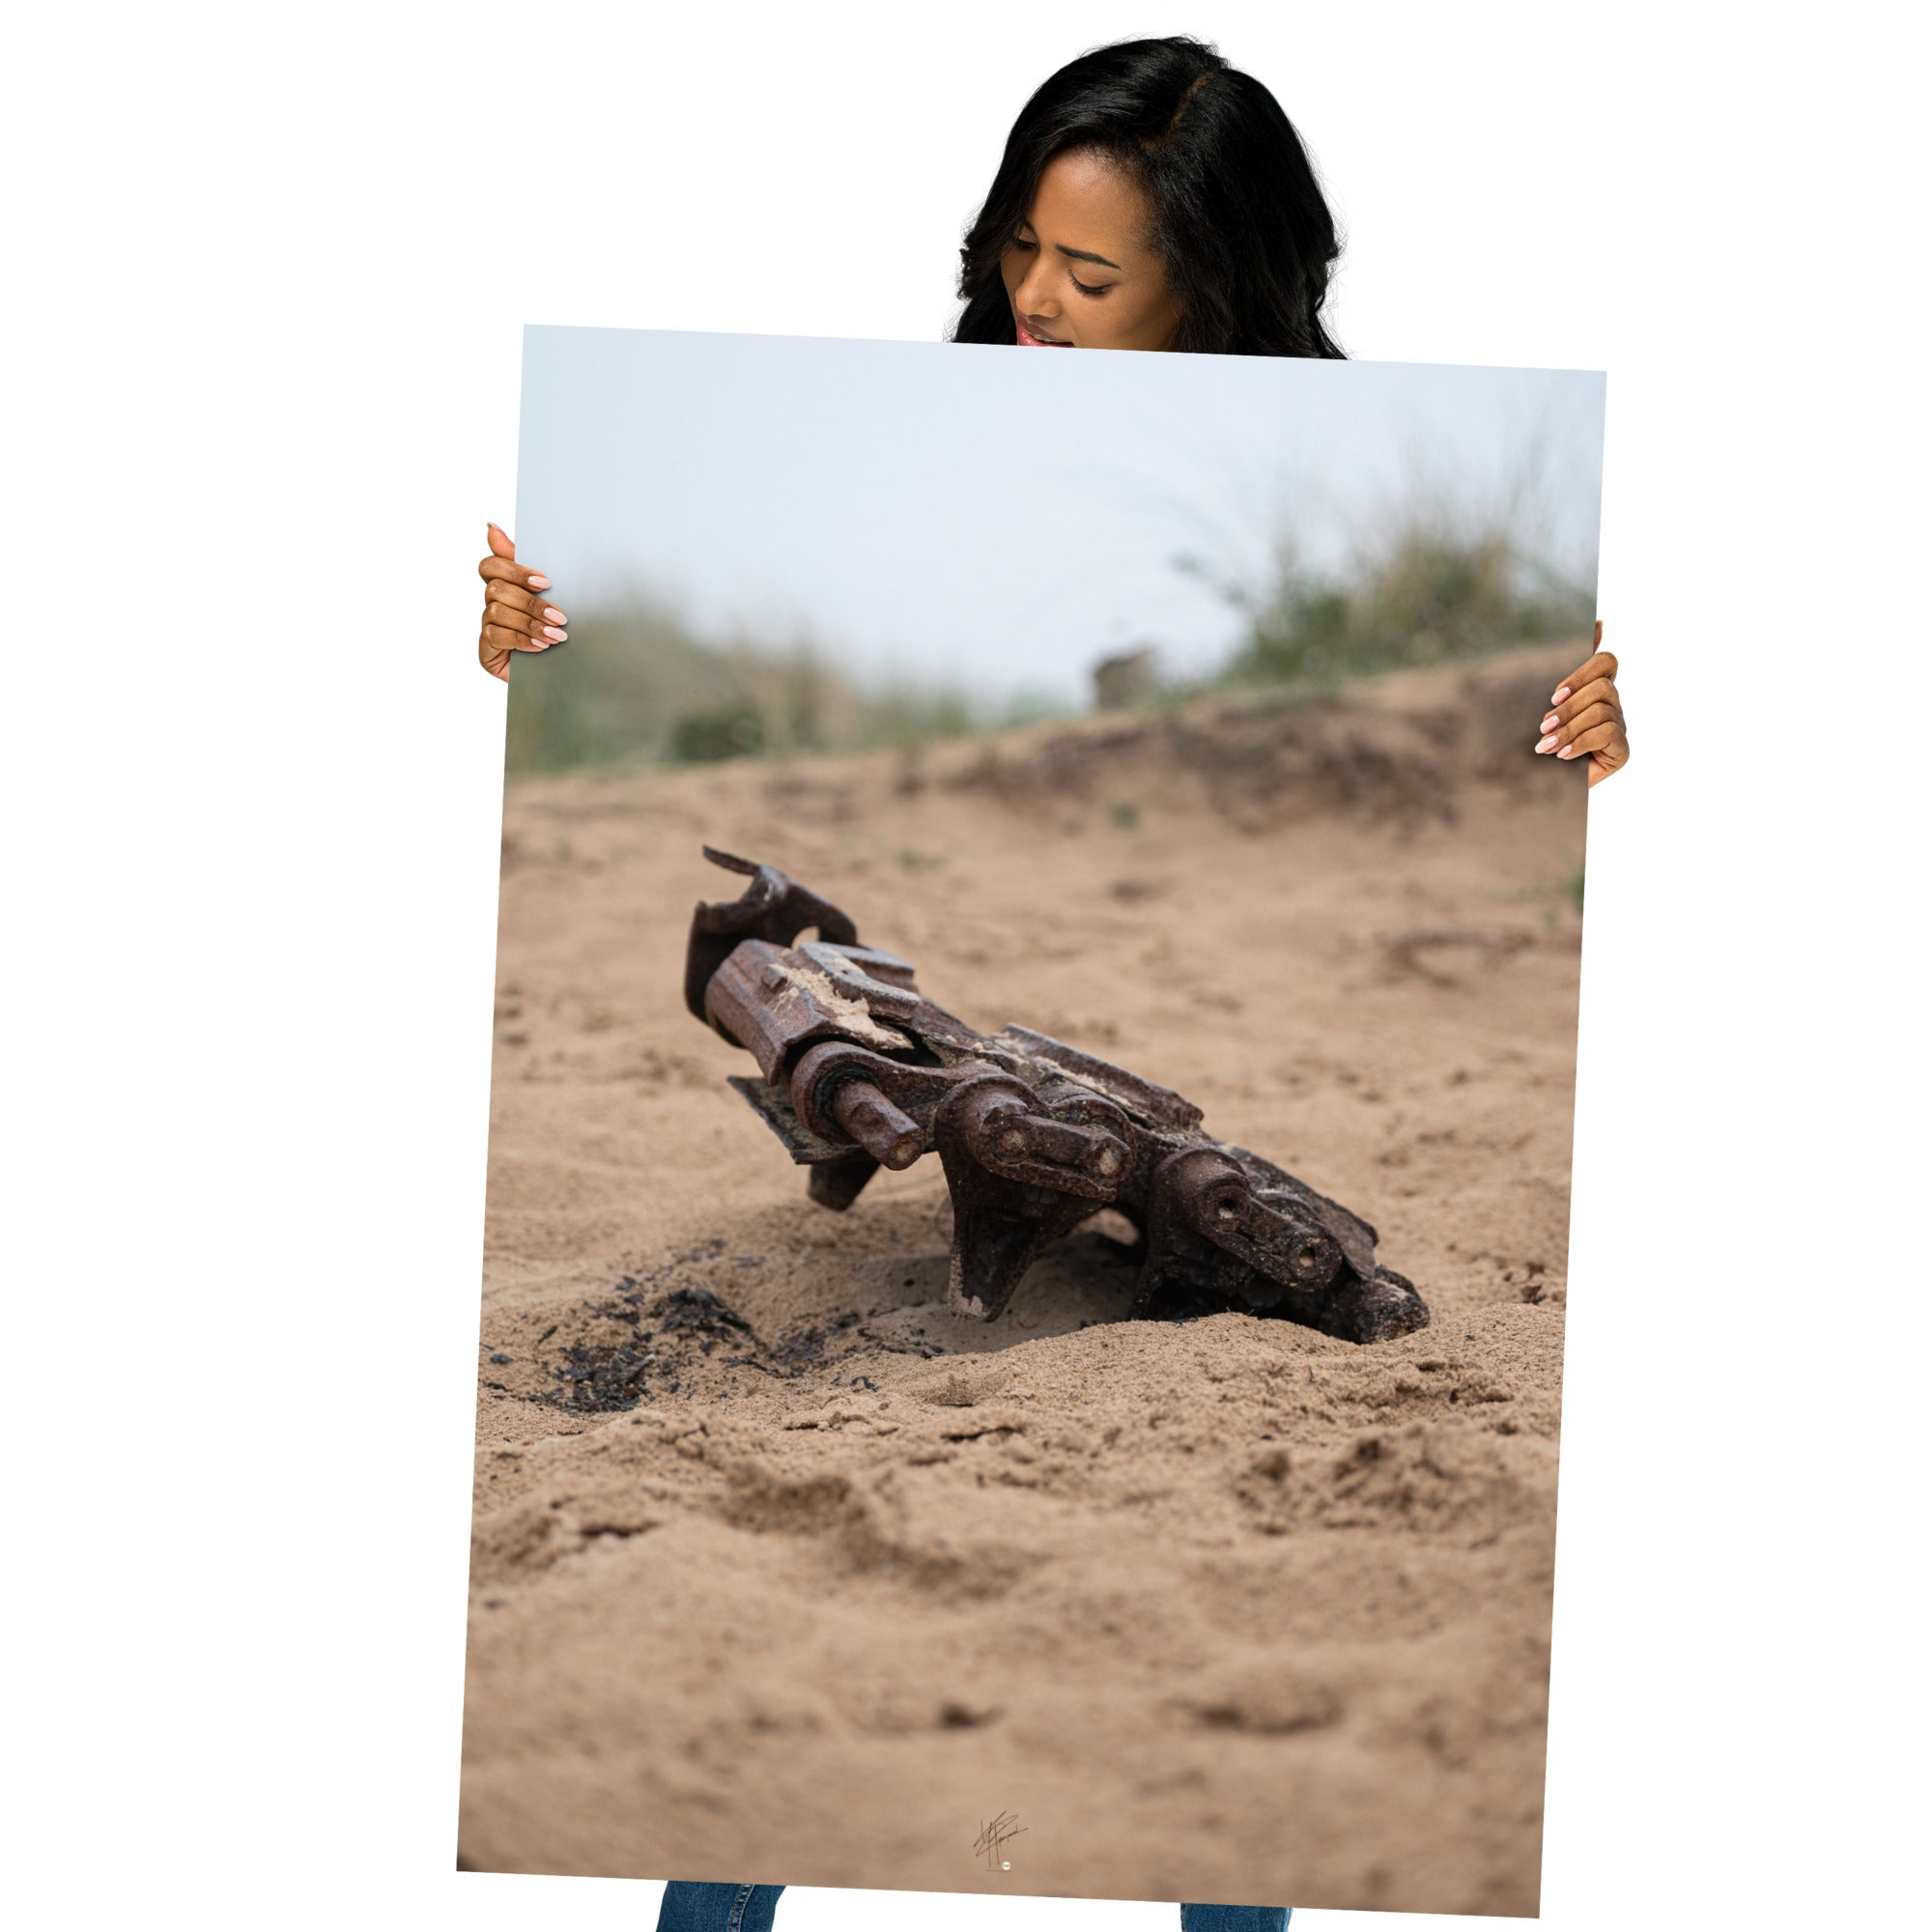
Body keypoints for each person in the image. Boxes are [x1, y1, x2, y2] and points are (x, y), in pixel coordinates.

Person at [475, 36, 1628, 1932]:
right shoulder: (954, 401)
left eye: (1090, 279)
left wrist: (1606, 735)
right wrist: (490, 651)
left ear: (1224, 285)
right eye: (1019, 249)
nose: (1030, 302)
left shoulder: (1306, 450)